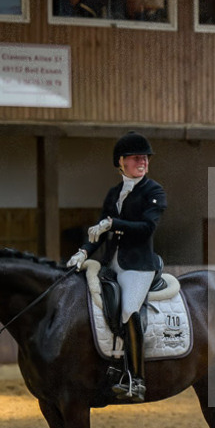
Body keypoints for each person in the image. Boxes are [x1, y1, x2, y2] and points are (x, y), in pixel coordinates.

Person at [67, 132, 167, 403]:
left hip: (139, 265)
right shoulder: (114, 193)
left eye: (145, 158)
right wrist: (83, 251)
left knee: (128, 310)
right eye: (136, 158)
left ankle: (136, 380)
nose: (142, 162)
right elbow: (98, 230)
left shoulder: (154, 191)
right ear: (120, 162)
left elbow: (147, 228)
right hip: (111, 262)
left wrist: (115, 224)